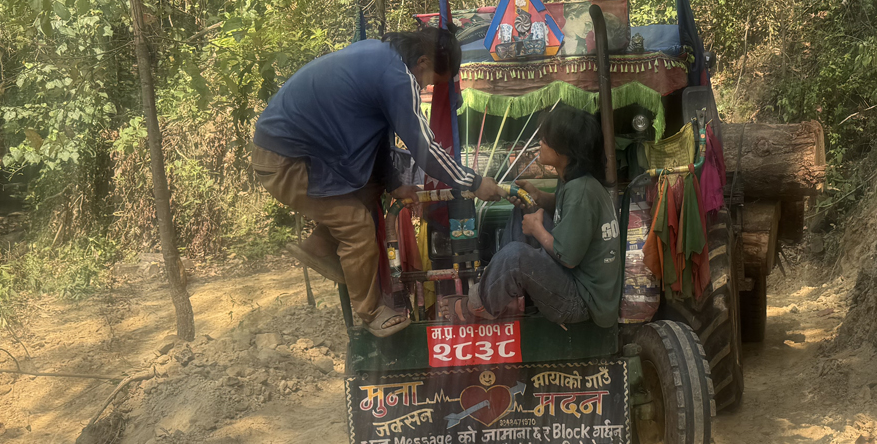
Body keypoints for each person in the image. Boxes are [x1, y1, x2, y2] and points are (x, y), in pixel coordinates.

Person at [252, 28, 505, 336]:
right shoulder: (397, 77)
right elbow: (425, 149)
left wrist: (393, 183)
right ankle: (370, 312)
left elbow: (378, 135)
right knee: (357, 227)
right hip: (286, 159)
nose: (424, 87)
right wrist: (474, 182)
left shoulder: (379, 54)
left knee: (371, 189)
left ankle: (321, 244)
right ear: (423, 62)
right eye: (430, 81)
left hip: (304, 153)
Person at [471, 104, 622, 326]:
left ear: (565, 150)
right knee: (523, 208)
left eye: (546, 140)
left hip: (582, 301)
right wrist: (538, 196)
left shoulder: (580, 191)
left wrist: (537, 229)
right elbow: (566, 210)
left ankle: (482, 304)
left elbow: (567, 258)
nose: (540, 143)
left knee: (516, 256)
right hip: (576, 280)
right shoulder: (573, 181)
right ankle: (504, 295)